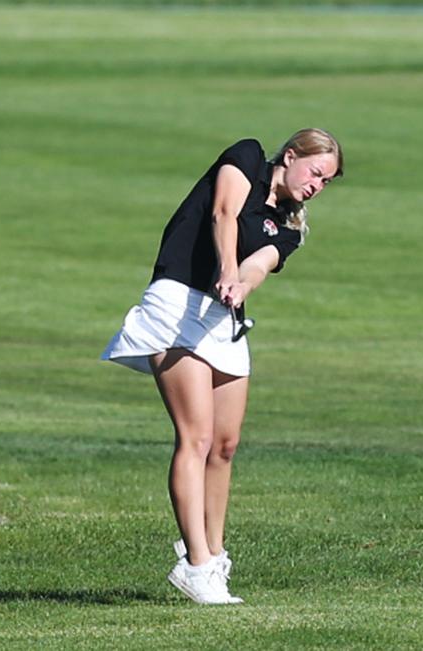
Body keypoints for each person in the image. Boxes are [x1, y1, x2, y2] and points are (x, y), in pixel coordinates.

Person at [101, 129, 343, 604]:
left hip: (221, 319)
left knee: (226, 446)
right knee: (197, 436)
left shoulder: (289, 228)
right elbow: (223, 212)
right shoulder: (248, 156)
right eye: (315, 173)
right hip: (176, 303)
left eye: (326, 183)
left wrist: (241, 284)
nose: (316, 186)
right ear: (291, 156)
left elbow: (259, 266)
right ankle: (195, 564)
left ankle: (214, 556)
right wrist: (227, 270)